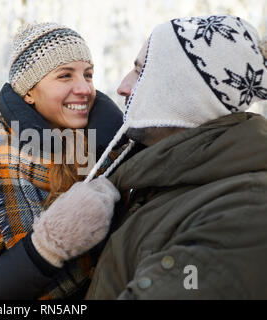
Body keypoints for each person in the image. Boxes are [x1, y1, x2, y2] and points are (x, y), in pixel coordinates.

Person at [81, 14, 267, 299]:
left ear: (181, 94)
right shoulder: (166, 180)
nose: (122, 87)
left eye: (140, 72)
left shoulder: (244, 213)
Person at [0, 22, 124, 300]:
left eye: (88, 75)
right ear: (28, 91)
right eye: (65, 76)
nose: (85, 89)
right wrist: (46, 247)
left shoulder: (117, 151)